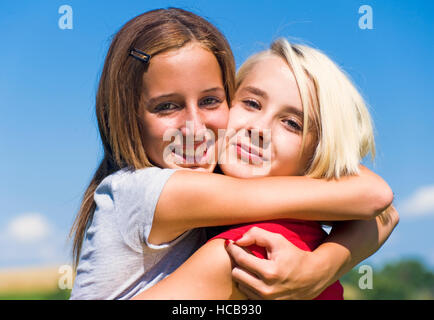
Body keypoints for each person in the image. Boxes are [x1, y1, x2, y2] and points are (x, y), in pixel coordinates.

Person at [69, 8, 395, 300]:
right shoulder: (154, 191)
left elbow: (381, 208)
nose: (195, 127)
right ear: (128, 117)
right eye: (252, 103)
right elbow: (376, 198)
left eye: (292, 123)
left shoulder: (272, 238)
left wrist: (324, 264)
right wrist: (325, 266)